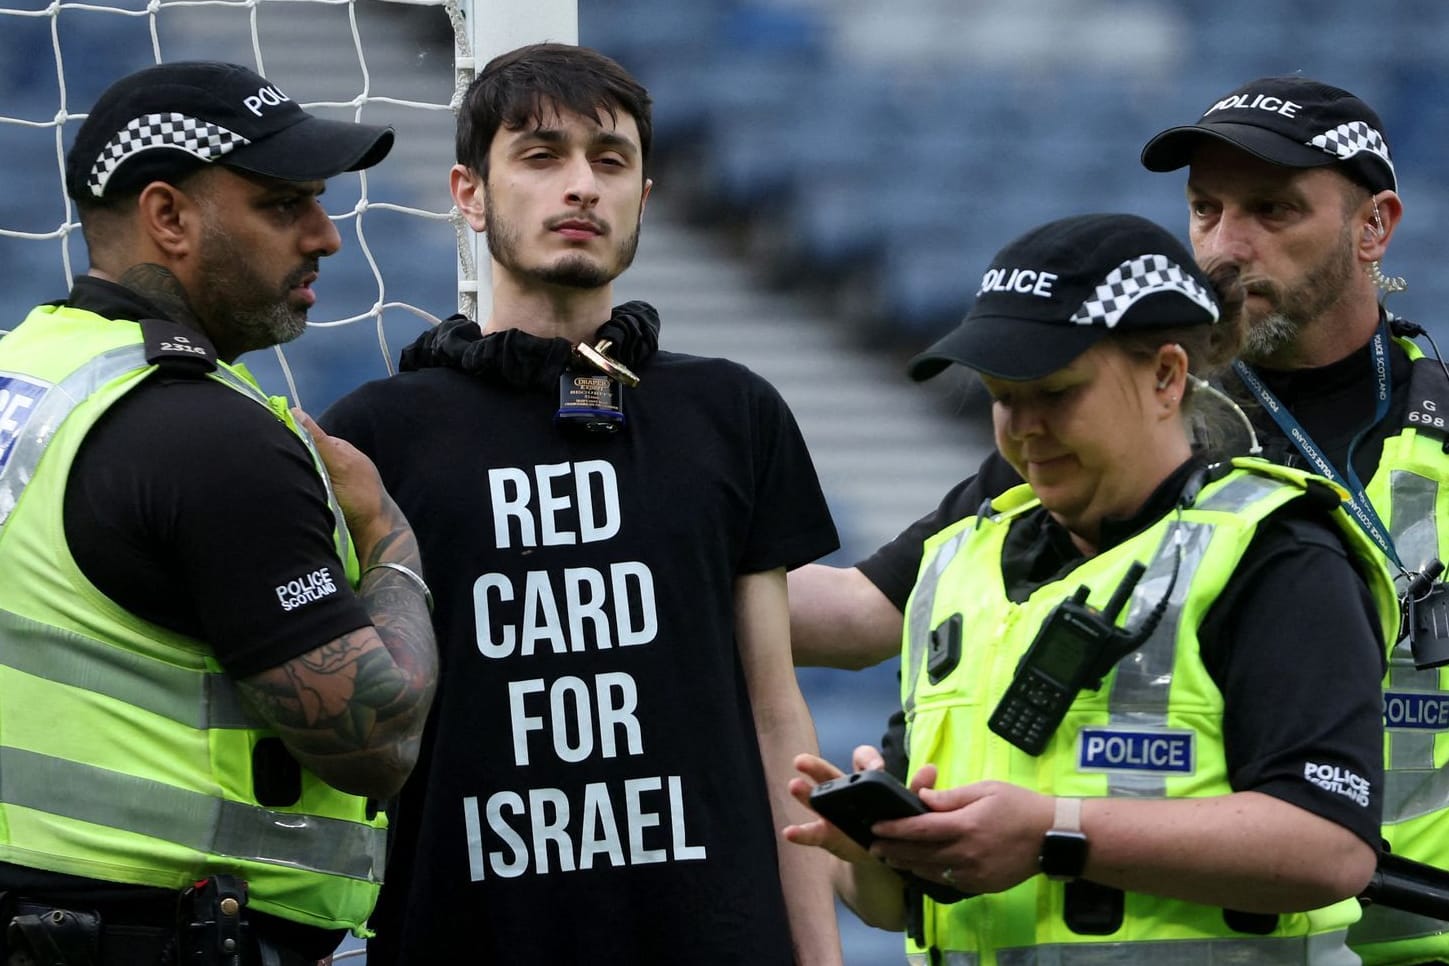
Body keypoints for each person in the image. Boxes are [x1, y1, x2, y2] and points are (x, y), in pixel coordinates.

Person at [792, 74, 1449, 965]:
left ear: (1373, 226)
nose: (1226, 245)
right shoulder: (1109, 435)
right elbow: (861, 610)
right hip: (1258, 922)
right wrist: (648, 566)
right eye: (1205, 209)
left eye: (1270, 210)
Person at [319, 42, 843, 965]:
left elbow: (774, 713)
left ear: (644, 196)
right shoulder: (376, 434)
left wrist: (819, 956)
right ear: (468, 192)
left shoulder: (733, 410)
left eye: (610, 161)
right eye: (540, 155)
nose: (581, 186)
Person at [0, 61, 439, 965]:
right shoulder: (209, 435)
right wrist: (387, 537)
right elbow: (373, 740)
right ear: (169, 218)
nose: (326, 237)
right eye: (284, 206)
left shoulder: (26, 372)